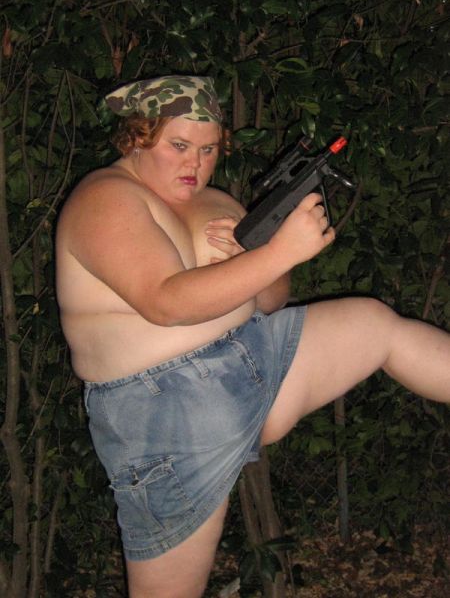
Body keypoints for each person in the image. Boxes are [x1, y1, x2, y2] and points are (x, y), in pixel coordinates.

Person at [55, 75, 450, 598]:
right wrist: (279, 253)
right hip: (168, 413)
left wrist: (255, 262)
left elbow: (271, 298)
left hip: (254, 360)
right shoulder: (104, 197)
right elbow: (164, 302)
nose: (195, 164)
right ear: (136, 138)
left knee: (375, 325)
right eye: (179, 146)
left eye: (208, 150)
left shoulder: (215, 200)